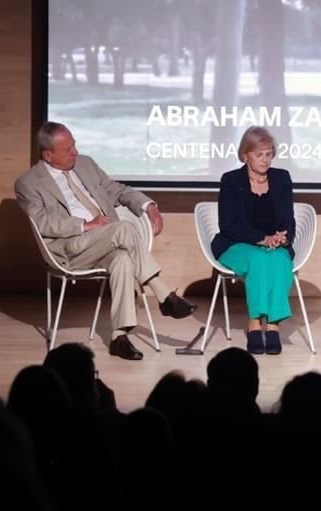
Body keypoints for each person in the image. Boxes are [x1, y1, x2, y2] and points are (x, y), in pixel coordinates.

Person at [15, 121, 196, 361]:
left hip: (105, 241)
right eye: (67, 150)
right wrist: (84, 225)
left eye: (74, 145)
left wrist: (148, 205)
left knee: (122, 260)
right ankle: (164, 296)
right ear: (47, 155)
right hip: (71, 247)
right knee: (123, 228)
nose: (75, 152)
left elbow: (116, 190)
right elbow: (41, 222)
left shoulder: (86, 165)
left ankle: (119, 338)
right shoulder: (28, 183)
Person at [211, 126, 295, 355]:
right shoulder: (230, 180)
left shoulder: (281, 178)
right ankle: (255, 323)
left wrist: (282, 237)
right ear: (245, 154)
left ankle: (274, 326)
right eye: (259, 154)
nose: (265, 160)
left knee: (280, 260)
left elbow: (289, 219)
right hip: (236, 244)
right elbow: (228, 225)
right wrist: (261, 239)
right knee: (258, 259)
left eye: (268, 154)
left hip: (272, 245)